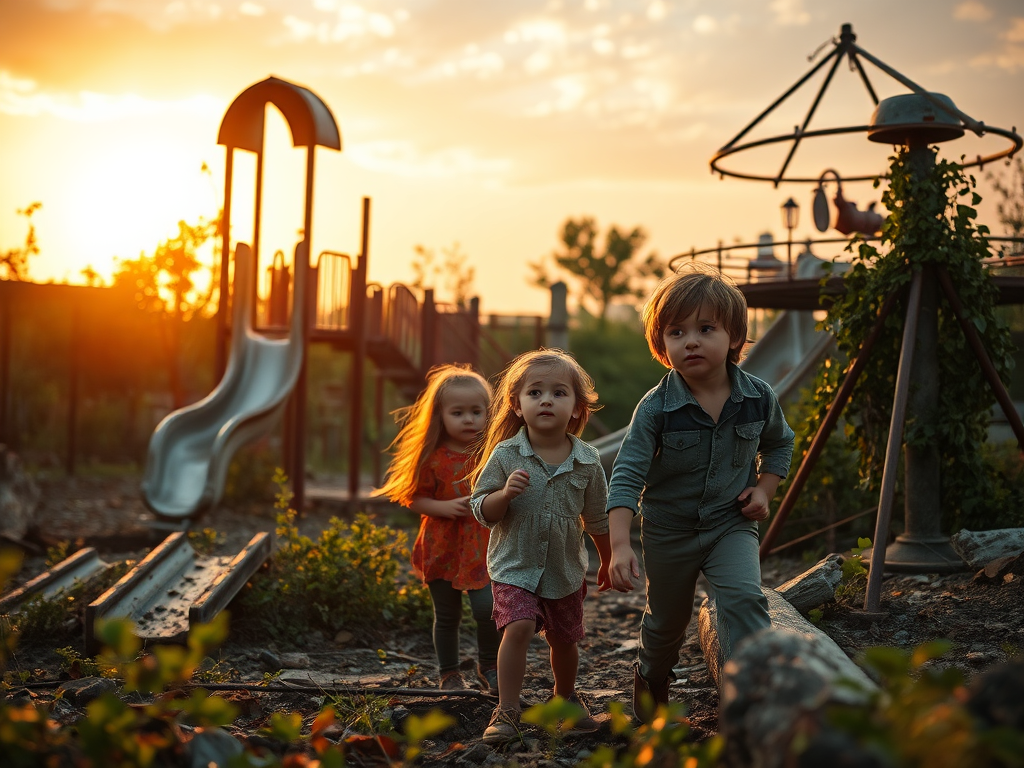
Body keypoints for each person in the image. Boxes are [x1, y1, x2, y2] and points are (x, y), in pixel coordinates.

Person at [606, 264, 795, 722]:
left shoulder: (758, 397)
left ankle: (758, 701)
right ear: (661, 345)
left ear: (733, 337)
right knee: (665, 625)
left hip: (731, 524)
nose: (690, 340)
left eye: (705, 328)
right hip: (669, 531)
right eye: (676, 332)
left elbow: (780, 443)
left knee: (746, 601)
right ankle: (651, 687)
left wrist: (765, 490)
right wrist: (617, 547)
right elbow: (627, 474)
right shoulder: (655, 409)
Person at [469, 349, 613, 744]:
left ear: (578, 409)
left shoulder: (588, 461)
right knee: (518, 626)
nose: (546, 400)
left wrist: (607, 560)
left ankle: (565, 698)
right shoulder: (506, 455)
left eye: (558, 393)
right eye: (535, 392)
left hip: (565, 569)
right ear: (516, 404)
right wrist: (503, 494)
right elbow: (481, 508)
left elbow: (597, 517)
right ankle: (508, 708)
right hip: (514, 565)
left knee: (565, 641)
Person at [374, 364, 500, 691]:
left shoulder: (492, 454)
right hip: (442, 543)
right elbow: (413, 498)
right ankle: (449, 673)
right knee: (447, 615)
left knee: (487, 608)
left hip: (482, 544)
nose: (469, 419)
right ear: (439, 416)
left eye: (477, 411)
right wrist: (443, 507)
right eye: (458, 412)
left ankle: (489, 665)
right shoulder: (433, 457)